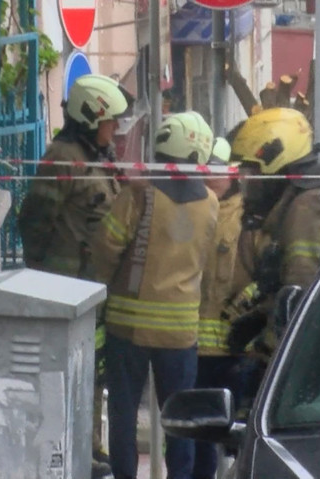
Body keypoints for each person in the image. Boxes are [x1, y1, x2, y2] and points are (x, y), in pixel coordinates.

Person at [17, 73, 134, 478]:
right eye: (110, 121)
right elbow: (35, 221)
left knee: (92, 370)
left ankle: (89, 444)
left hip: (93, 288)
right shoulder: (63, 158)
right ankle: (68, 446)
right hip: (65, 288)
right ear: (90, 118)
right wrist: (46, 272)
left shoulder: (98, 157)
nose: (115, 128)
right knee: (65, 372)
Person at [91, 111, 219, 479]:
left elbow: (106, 246)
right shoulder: (211, 202)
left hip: (126, 329)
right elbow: (207, 263)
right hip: (181, 334)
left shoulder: (140, 193)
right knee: (181, 418)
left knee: (123, 415)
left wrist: (100, 291)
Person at [222, 108, 320, 397]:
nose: (247, 186)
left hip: (300, 368)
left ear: (276, 168)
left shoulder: (307, 208)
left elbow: (301, 297)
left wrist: (265, 351)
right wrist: (260, 317)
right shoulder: (294, 205)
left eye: (252, 175)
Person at [193, 137, 247, 479]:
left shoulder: (244, 217)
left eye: (215, 169)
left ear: (232, 173)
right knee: (195, 434)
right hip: (194, 347)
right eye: (203, 169)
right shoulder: (194, 208)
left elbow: (253, 276)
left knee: (235, 438)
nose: (208, 176)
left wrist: (241, 314)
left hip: (233, 348)